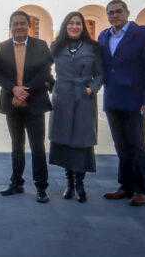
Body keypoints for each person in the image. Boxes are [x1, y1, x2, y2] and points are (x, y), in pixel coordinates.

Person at [98, 0, 145, 207]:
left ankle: (141, 190)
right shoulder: (103, 36)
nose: (114, 15)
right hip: (112, 99)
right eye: (110, 13)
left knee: (137, 145)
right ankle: (125, 186)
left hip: (135, 100)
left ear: (127, 12)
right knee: (121, 145)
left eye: (118, 11)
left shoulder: (141, 34)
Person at [0, 10, 53, 203]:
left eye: (22, 23)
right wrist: (13, 89)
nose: (19, 26)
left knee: (37, 146)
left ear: (29, 26)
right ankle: (16, 183)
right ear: (10, 27)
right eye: (15, 23)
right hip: (12, 103)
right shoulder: (2, 47)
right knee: (16, 146)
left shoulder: (41, 46)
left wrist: (24, 92)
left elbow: (44, 72)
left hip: (34, 102)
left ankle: (41, 187)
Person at [48, 12, 103, 203]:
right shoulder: (56, 46)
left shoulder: (93, 47)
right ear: (65, 26)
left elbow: (100, 74)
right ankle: (69, 183)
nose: (74, 26)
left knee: (81, 140)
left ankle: (80, 183)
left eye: (78, 23)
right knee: (64, 139)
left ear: (83, 26)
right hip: (62, 98)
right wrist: (52, 86)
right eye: (70, 23)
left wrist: (91, 89)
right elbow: (43, 68)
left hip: (83, 99)